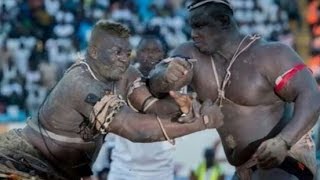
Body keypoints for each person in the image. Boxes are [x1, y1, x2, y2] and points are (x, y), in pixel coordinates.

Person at [0, 20, 224, 180]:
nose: (123, 60)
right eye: (116, 52)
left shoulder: (126, 74)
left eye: (127, 54)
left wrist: (182, 106)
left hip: (66, 171)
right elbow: (133, 129)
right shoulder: (81, 82)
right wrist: (202, 122)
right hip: (26, 164)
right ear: (94, 52)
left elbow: (152, 107)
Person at [149, 0, 320, 179]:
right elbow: (154, 84)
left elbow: (312, 96)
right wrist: (165, 76)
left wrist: (284, 141)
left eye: (200, 26)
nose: (193, 34)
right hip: (243, 169)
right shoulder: (190, 54)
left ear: (224, 21)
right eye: (192, 27)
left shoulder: (271, 54)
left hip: (284, 158)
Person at [93, 35, 177, 180]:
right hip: (123, 169)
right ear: (135, 54)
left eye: (156, 50)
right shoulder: (118, 80)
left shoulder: (176, 83)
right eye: (144, 50)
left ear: (165, 55)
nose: (150, 55)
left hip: (161, 171)